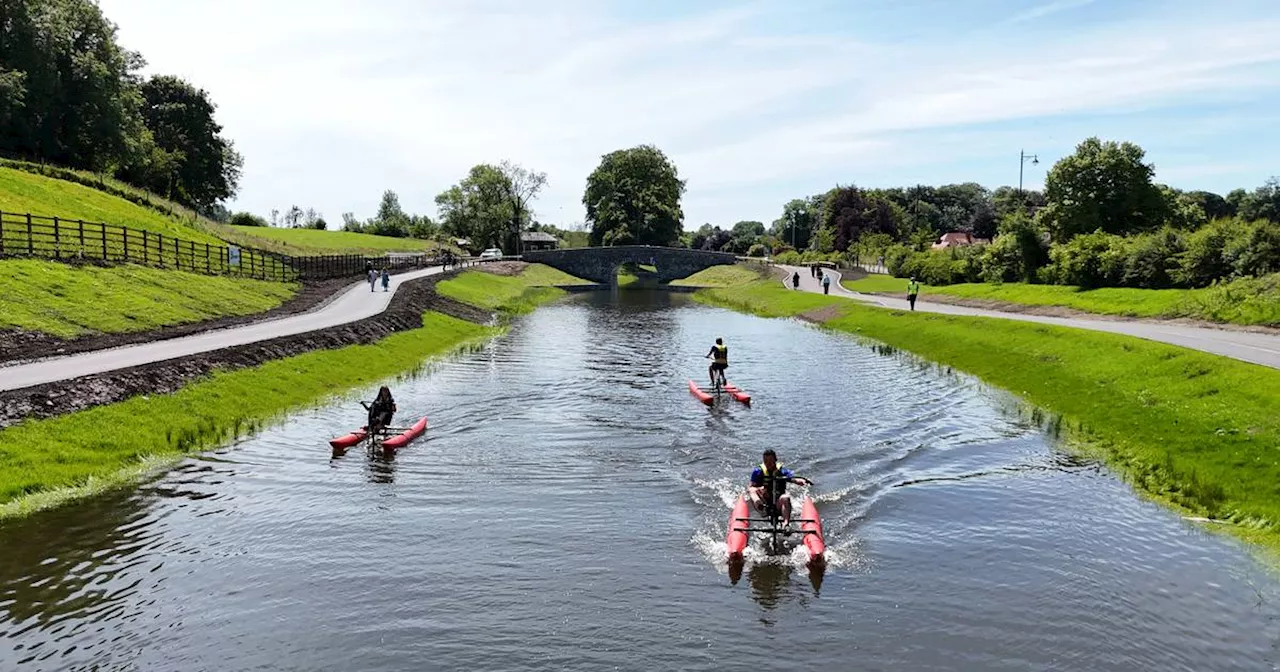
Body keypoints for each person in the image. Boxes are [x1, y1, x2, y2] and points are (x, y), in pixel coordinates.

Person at [748, 449, 812, 526]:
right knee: (752, 490)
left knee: (786, 497)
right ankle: (761, 508)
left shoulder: (782, 471)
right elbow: (751, 487)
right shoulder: (758, 472)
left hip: (778, 502)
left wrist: (799, 480)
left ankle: (786, 524)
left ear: (775, 460)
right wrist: (760, 489)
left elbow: (792, 478)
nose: (768, 463)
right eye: (766, 461)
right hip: (764, 501)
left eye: (770, 461)